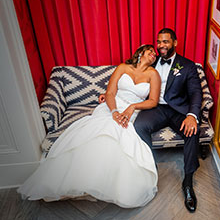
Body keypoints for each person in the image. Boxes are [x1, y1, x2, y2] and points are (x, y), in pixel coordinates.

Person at [18, 45, 161, 208]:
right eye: (151, 51)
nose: (154, 55)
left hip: (132, 111)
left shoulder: (153, 74)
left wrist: (132, 107)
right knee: (100, 129)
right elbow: (110, 93)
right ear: (141, 52)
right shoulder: (123, 67)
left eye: (155, 55)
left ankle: (103, 181)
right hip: (112, 106)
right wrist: (114, 111)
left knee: (120, 134)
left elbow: (152, 101)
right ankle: (79, 180)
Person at [133, 28, 202, 212]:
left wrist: (191, 115)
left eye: (165, 41)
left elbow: (196, 92)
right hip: (156, 108)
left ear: (175, 43)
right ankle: (149, 169)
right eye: (159, 42)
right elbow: (132, 77)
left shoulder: (187, 65)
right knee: (139, 126)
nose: (161, 45)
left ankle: (188, 182)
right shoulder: (150, 62)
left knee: (193, 131)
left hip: (179, 110)